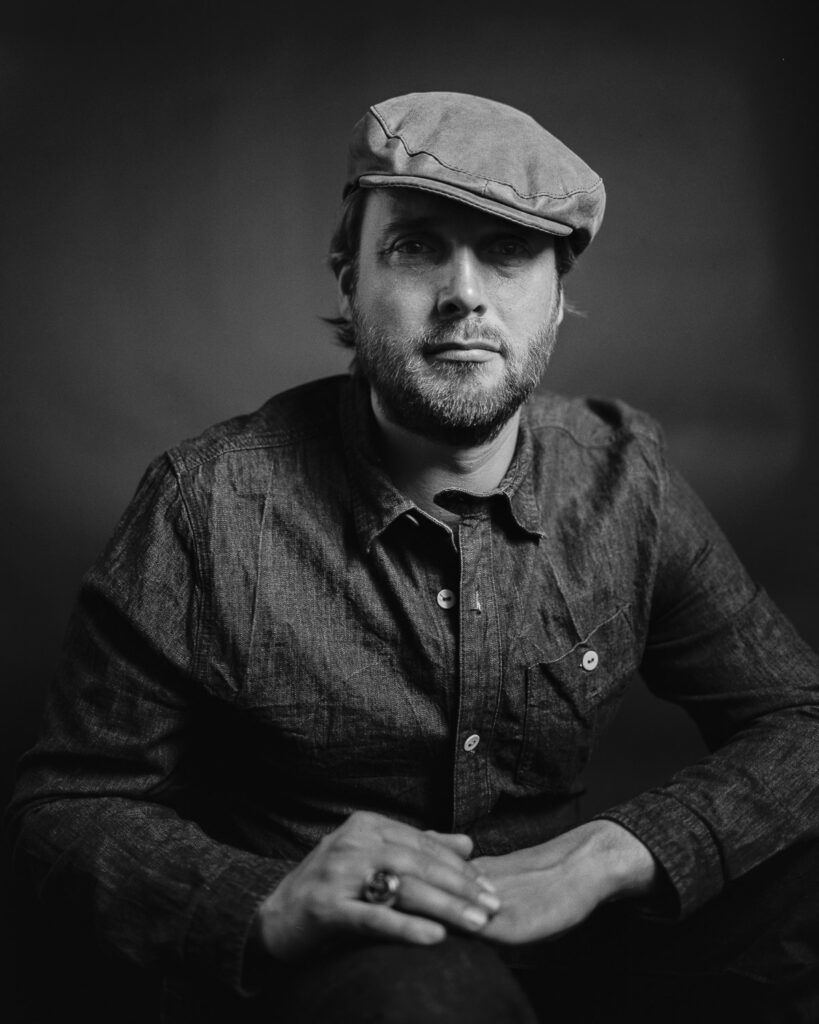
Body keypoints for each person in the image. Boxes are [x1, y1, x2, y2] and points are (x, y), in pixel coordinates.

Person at [6, 91, 819, 1024]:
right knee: (424, 995)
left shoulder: (624, 478)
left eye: (507, 252)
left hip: (570, 942)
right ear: (348, 283)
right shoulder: (208, 504)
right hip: (351, 970)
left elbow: (796, 717)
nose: (464, 294)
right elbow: (64, 809)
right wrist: (271, 901)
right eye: (416, 247)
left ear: (558, 297)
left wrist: (607, 854)